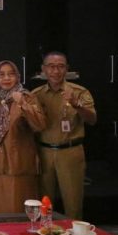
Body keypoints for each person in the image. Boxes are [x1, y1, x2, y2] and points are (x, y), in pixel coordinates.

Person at [0, 61, 47, 213]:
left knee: (19, 210)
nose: (6, 78)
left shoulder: (27, 98)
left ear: (17, 77)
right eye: (1, 75)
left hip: (20, 165)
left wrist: (23, 104)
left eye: (11, 74)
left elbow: (40, 125)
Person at [32, 52, 96, 219]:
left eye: (60, 66)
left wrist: (76, 104)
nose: (56, 71)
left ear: (67, 69)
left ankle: (74, 233)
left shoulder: (78, 92)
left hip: (70, 151)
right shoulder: (36, 94)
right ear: (43, 69)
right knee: (44, 203)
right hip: (44, 152)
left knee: (73, 203)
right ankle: (46, 233)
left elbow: (92, 119)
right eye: (51, 66)